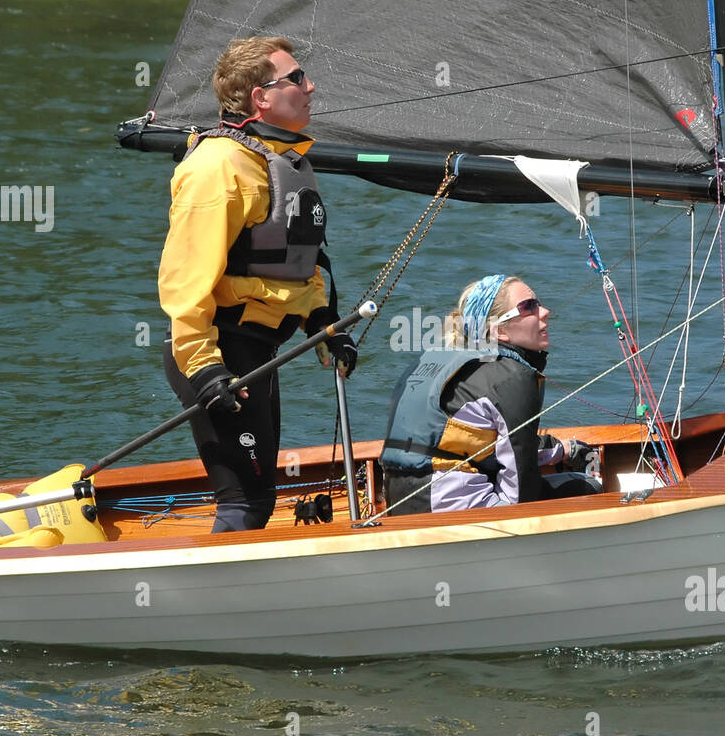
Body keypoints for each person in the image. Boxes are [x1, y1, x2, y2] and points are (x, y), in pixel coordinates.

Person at [159, 36, 356, 532]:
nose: (310, 86)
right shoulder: (216, 168)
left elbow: (295, 264)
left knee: (259, 499)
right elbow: (185, 282)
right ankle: (214, 600)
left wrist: (323, 322)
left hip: (261, 348)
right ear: (258, 97)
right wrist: (205, 369)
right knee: (243, 504)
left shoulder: (283, 163)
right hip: (217, 350)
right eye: (296, 78)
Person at [380, 274, 601, 514]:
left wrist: (562, 450)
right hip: (451, 515)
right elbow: (520, 494)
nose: (545, 311)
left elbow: (484, 443)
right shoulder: (511, 375)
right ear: (501, 332)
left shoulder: (434, 361)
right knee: (587, 485)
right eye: (529, 307)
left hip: (397, 503)